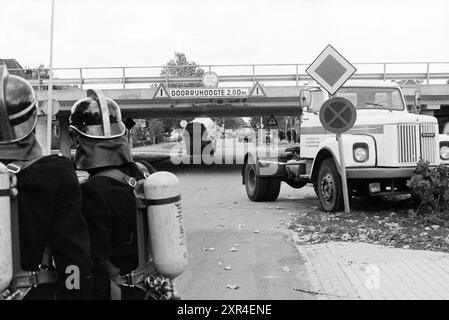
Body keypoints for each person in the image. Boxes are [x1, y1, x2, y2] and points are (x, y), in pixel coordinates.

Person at [0, 65, 92, 300]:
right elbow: (73, 255)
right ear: (32, 119)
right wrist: (75, 293)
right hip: (34, 292)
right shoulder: (55, 173)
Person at [69, 89, 163, 300]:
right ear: (119, 132)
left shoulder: (91, 193)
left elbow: (93, 266)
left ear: (76, 138)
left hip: (123, 292)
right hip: (155, 288)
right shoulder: (145, 171)